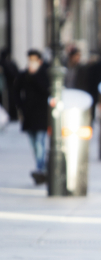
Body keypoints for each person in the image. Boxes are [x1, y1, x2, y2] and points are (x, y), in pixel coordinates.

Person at [14, 50, 50, 185]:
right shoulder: (23, 75)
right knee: (34, 144)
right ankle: (42, 168)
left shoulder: (43, 74)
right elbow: (16, 91)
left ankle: (40, 170)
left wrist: (34, 76)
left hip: (41, 114)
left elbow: (46, 90)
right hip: (28, 115)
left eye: (34, 60)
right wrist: (20, 107)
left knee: (40, 142)